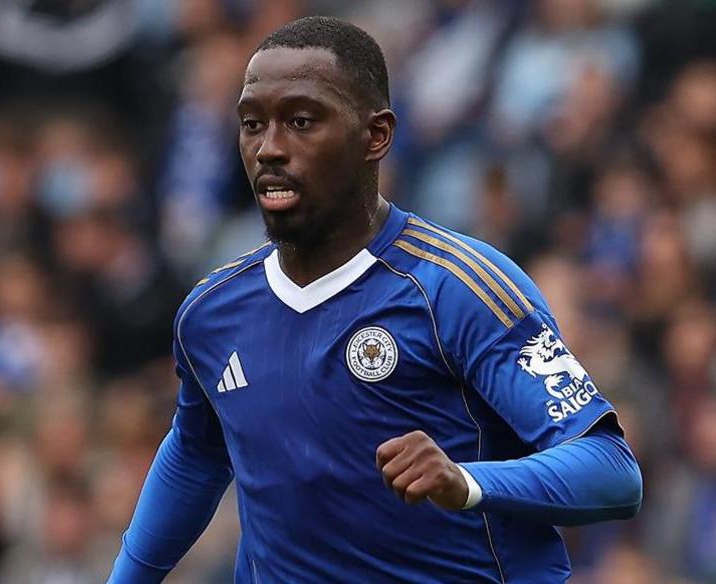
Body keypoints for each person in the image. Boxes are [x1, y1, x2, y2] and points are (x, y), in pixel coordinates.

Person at [107, 16, 642, 583]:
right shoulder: (212, 312)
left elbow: (610, 469)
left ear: (376, 135)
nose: (269, 149)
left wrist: (467, 482)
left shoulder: (458, 290)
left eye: (301, 121)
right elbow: (196, 454)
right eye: (252, 124)